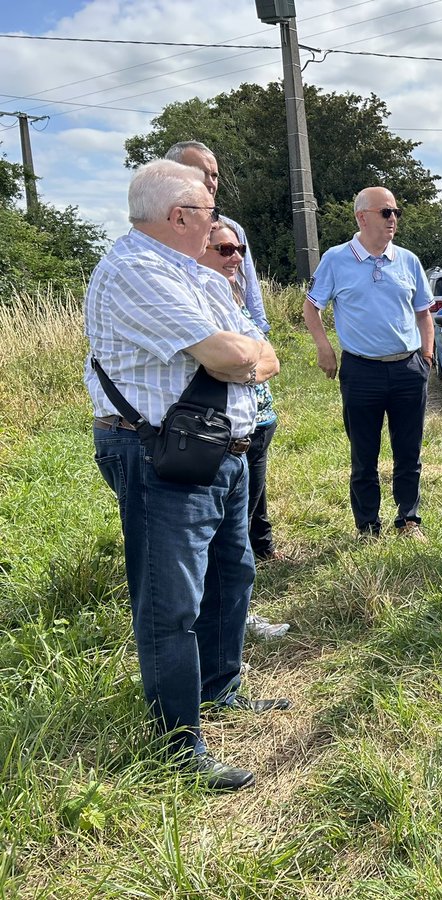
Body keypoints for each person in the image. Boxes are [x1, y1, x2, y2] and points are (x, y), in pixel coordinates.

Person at [85, 159, 291, 792]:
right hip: (161, 456)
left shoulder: (192, 273)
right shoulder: (136, 270)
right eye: (208, 212)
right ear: (179, 217)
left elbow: (267, 356)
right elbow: (234, 353)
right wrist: (241, 353)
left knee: (233, 572)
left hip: (217, 448)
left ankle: (219, 689)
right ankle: (179, 745)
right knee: (172, 603)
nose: (218, 224)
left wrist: (243, 354)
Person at [303, 187, 435, 537]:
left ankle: (409, 519)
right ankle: (368, 526)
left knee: (409, 450)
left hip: (407, 368)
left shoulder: (407, 260)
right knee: (364, 454)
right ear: (362, 217)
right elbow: (311, 306)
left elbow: (424, 313)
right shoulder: (336, 258)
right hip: (361, 369)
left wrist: (426, 355)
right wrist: (324, 347)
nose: (393, 219)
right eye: (386, 212)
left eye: (396, 212)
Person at [198, 224, 290, 641]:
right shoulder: (191, 299)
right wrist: (246, 361)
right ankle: (217, 622)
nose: (237, 257)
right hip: (213, 433)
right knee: (217, 534)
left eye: (240, 248)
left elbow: (269, 359)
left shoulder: (234, 297)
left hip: (256, 423)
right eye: (225, 249)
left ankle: (237, 617)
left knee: (240, 526)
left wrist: (244, 366)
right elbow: (217, 365)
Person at [165, 141, 269, 333]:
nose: (210, 182)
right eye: (201, 173)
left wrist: (260, 332)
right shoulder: (155, 235)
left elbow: (248, 289)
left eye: (214, 175)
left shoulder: (231, 229)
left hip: (235, 338)